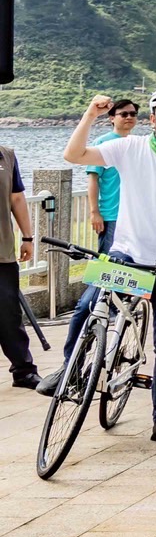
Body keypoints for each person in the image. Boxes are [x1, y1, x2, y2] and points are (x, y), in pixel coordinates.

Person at [51, 86, 156, 446]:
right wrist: (91, 113)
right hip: (127, 254)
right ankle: (68, 371)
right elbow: (73, 154)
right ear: (153, 119)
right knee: (90, 304)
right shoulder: (128, 147)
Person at [0, 141, 40, 388]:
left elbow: (17, 198)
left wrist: (27, 237)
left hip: (2, 251)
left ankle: (24, 371)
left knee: (8, 314)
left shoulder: (6, 156)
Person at [86, 98, 139, 254]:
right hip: (112, 215)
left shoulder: (138, 143)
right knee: (109, 263)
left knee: (134, 263)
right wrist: (94, 212)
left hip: (136, 215)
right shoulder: (102, 142)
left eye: (133, 114)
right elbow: (93, 179)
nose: (129, 117)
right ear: (112, 118)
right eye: (123, 114)